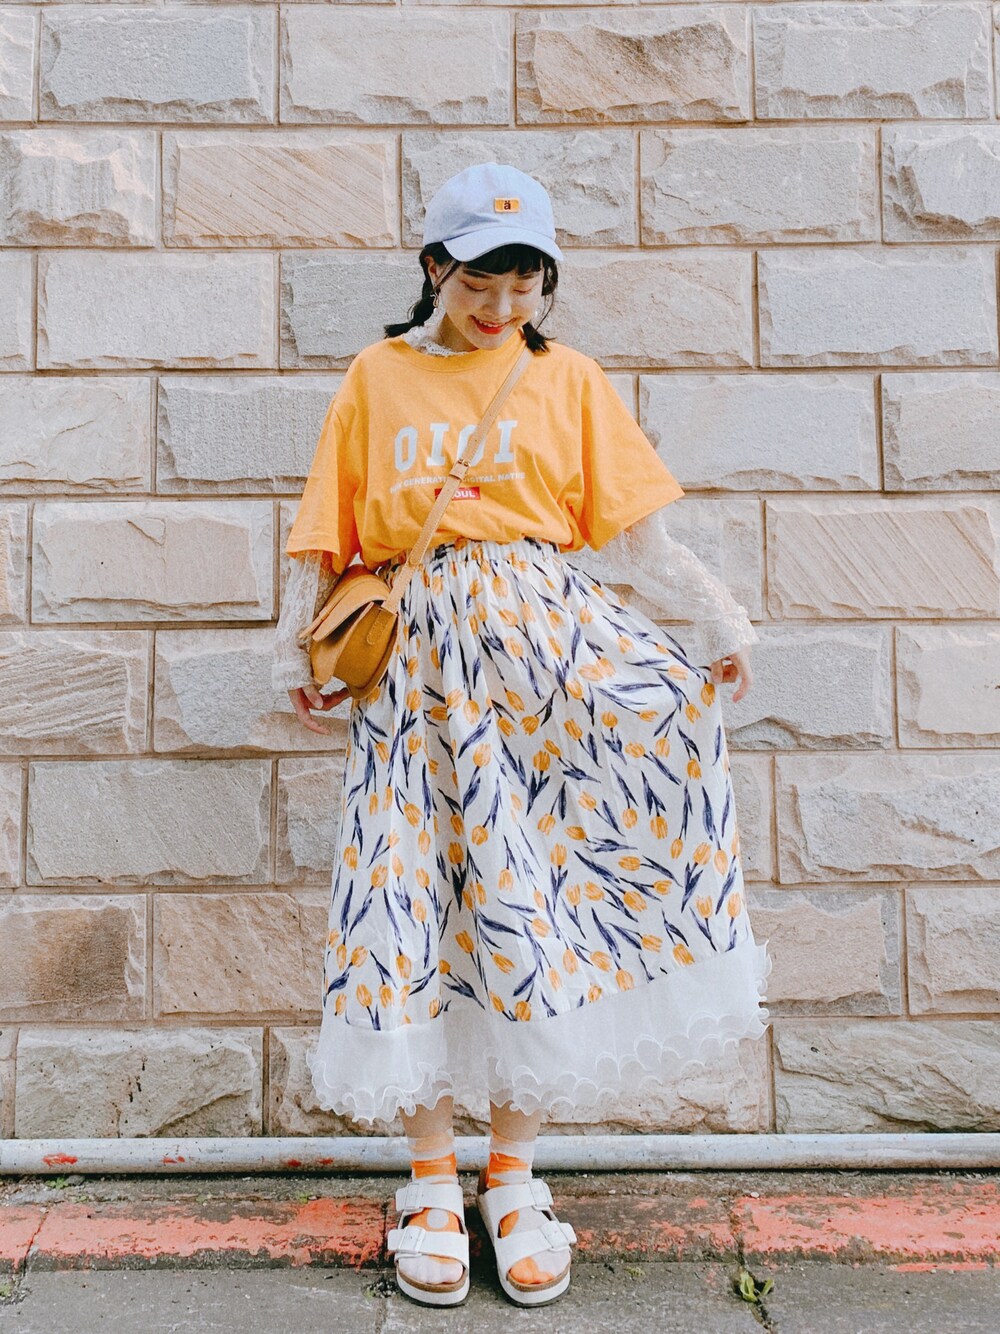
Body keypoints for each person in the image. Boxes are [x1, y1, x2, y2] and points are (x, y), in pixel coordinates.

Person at [272, 162, 770, 1309]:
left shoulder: (566, 379)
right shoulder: (377, 377)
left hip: (549, 668)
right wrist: (299, 655)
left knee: (530, 900)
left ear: (545, 281)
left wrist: (717, 623)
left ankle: (511, 1175)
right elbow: (324, 536)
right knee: (411, 900)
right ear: (433, 268)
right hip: (417, 678)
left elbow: (638, 538)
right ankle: (428, 1181)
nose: (501, 307)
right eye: (479, 283)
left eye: (523, 284)